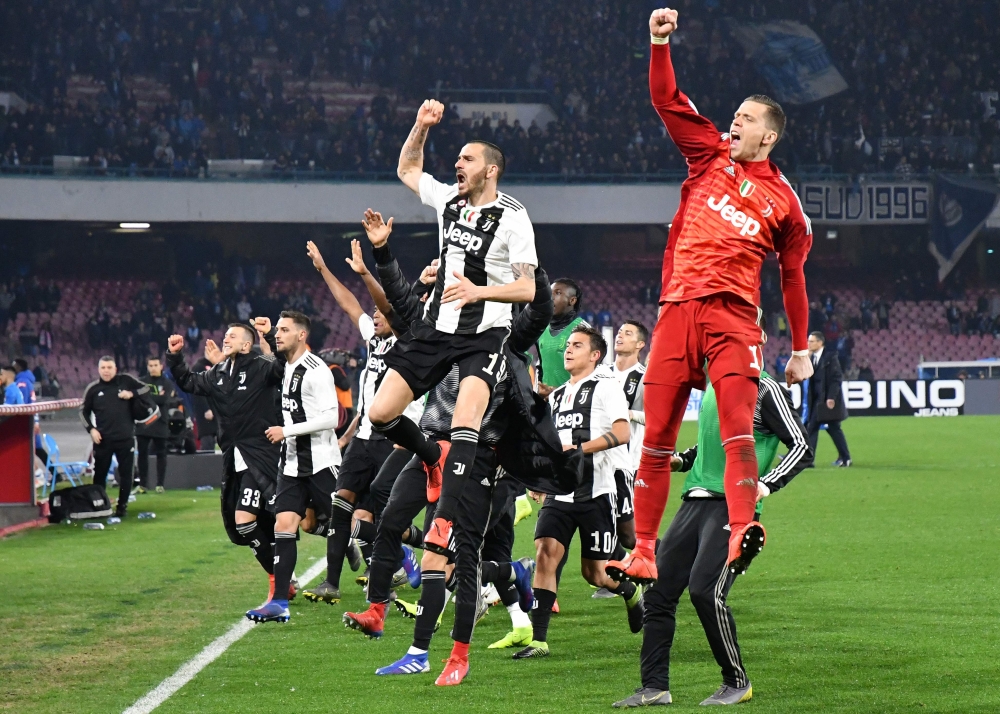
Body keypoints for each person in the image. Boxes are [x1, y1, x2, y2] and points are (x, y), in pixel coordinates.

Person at [609, 8, 814, 586]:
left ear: (767, 136)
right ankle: (643, 548)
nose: (733, 123)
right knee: (658, 433)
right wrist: (658, 43)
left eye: (744, 119)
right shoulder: (708, 154)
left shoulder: (786, 207)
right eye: (733, 116)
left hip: (733, 317)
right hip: (677, 310)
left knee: (736, 426)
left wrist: (800, 348)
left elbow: (793, 278)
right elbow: (666, 99)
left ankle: (741, 530)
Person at [365, 99, 538, 558]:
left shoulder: (514, 217)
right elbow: (407, 168)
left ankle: (442, 523)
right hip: (437, 329)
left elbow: (527, 289)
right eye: (457, 157)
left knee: (466, 422)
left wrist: (478, 293)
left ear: (491, 170)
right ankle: (431, 457)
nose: (457, 164)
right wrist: (420, 126)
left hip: (485, 334)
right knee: (380, 414)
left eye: (467, 158)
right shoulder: (450, 199)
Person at [613, 360, 812, 708]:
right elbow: (712, 444)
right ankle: (654, 687)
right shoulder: (713, 386)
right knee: (659, 592)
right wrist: (682, 460)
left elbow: (801, 445)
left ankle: (737, 681)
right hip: (694, 501)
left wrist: (766, 484)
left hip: (732, 507)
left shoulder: (765, 388)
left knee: (706, 592)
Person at [300, 239, 423, 605]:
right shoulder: (374, 340)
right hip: (364, 440)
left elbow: (385, 304)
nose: (376, 315)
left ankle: (413, 549)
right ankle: (332, 582)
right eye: (376, 314)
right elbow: (349, 305)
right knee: (342, 504)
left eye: (382, 313)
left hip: (394, 439)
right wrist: (323, 268)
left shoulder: (406, 340)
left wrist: (367, 272)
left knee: (380, 515)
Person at [515, 326, 644, 661]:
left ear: (595, 355)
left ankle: (630, 591)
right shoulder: (556, 397)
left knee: (596, 574)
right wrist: (540, 477)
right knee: (545, 552)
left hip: (597, 490)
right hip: (560, 492)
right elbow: (549, 444)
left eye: (577, 345)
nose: (568, 350)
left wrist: (579, 450)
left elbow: (622, 432)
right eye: (568, 345)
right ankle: (539, 639)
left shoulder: (606, 388)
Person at [167, 324, 289, 606]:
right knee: (246, 523)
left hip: (265, 455)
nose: (226, 338)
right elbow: (188, 382)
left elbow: (282, 365)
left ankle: (344, 545)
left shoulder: (261, 367)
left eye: (233, 336)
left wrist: (269, 336)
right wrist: (175, 357)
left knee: (298, 519)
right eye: (225, 335)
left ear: (247, 345)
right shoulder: (218, 374)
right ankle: (279, 580)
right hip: (236, 458)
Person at [245, 311, 343, 625]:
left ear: (302, 335)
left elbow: (333, 418)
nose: (278, 334)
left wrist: (286, 431)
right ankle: (278, 602)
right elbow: (272, 356)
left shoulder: (317, 371)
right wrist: (264, 336)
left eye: (285, 330)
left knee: (348, 524)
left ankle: (400, 550)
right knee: (283, 525)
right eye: (278, 330)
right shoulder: (287, 366)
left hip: (321, 463)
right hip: (290, 464)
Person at [79, 356, 151, 518]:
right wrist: (91, 429)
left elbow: (147, 389)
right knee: (100, 475)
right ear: (98, 370)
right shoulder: (93, 389)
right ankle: (99, 506)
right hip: (103, 439)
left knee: (126, 474)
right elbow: (83, 412)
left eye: (109, 367)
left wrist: (131, 394)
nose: (106, 371)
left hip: (125, 437)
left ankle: (122, 507)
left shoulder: (125, 381)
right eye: (103, 368)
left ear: (115, 369)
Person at [806, 331, 851, 467]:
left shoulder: (830, 357)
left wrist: (831, 397)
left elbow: (836, 379)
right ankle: (809, 460)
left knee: (833, 428)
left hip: (827, 401)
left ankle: (845, 457)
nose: (809, 344)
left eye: (812, 341)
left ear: (820, 342)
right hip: (817, 401)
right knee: (812, 428)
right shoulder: (812, 357)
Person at [537, 278, 587, 396]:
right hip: (545, 404)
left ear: (572, 300)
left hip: (572, 404)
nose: (551, 297)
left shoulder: (583, 331)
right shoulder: (542, 329)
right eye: (550, 293)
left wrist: (557, 392)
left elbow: (589, 374)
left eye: (558, 293)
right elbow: (540, 367)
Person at [135, 355, 177, 494]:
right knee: (142, 454)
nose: (153, 368)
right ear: (147, 367)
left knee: (161, 454)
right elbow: (140, 400)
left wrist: (147, 397)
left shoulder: (167, 382)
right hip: (144, 423)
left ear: (161, 366)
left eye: (155, 365)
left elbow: (164, 399)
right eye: (150, 365)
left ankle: (160, 484)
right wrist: (154, 398)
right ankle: (142, 485)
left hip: (161, 422)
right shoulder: (141, 381)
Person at [190, 358, 218, 451]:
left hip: (218, 411)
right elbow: (197, 390)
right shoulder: (199, 367)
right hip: (207, 414)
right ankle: (205, 464)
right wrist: (206, 408)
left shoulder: (218, 366)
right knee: (207, 442)